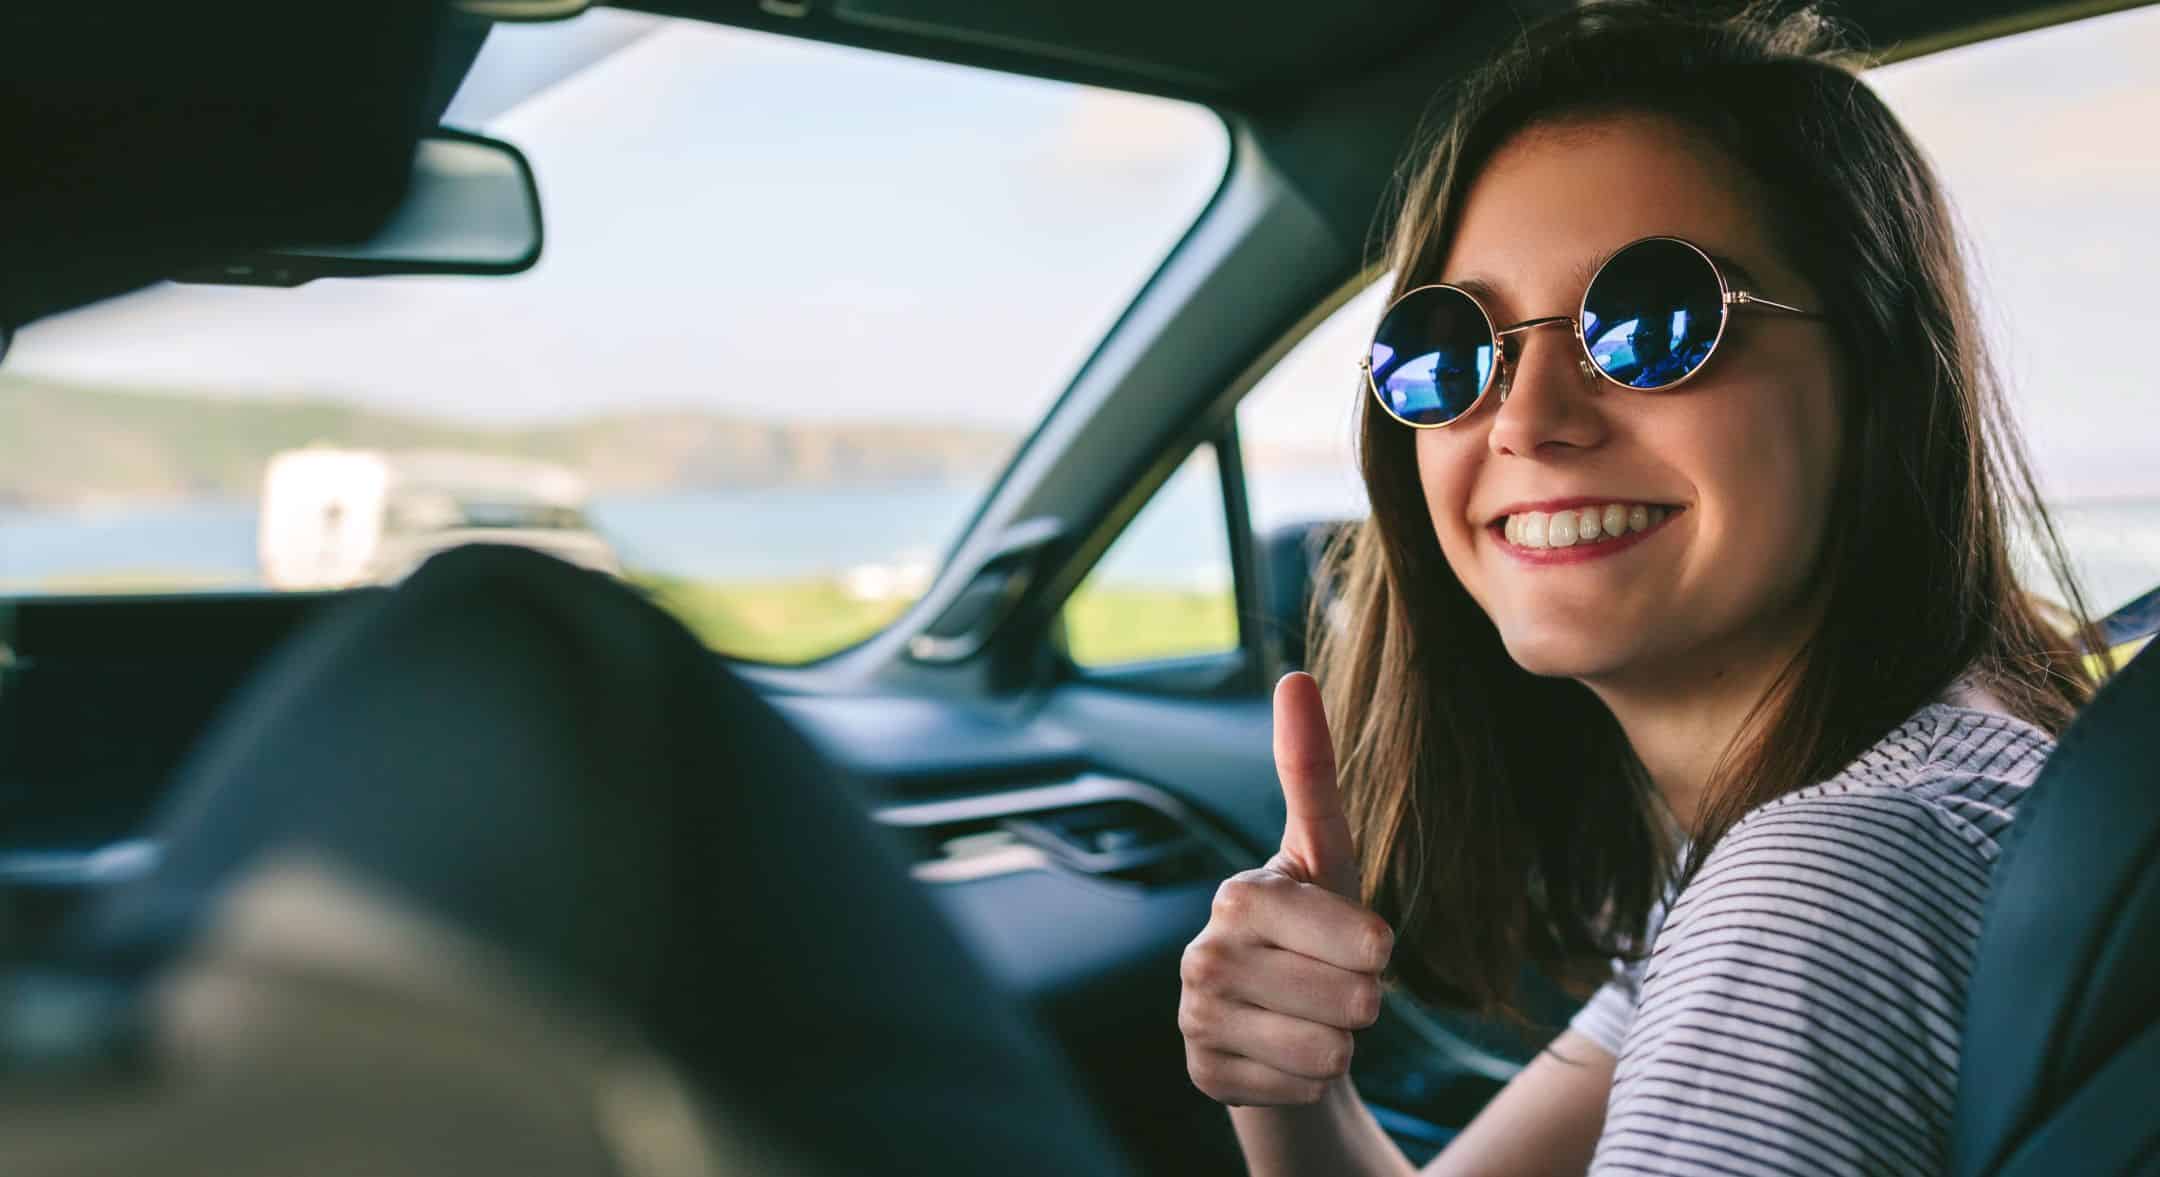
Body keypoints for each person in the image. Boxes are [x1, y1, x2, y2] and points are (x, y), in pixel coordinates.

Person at [1177, 3, 2104, 1175]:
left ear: (1876, 379)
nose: (1527, 417)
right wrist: (1287, 1099)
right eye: (1452, 350)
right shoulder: (1914, 775)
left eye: (1656, 321)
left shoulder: (1820, 885)